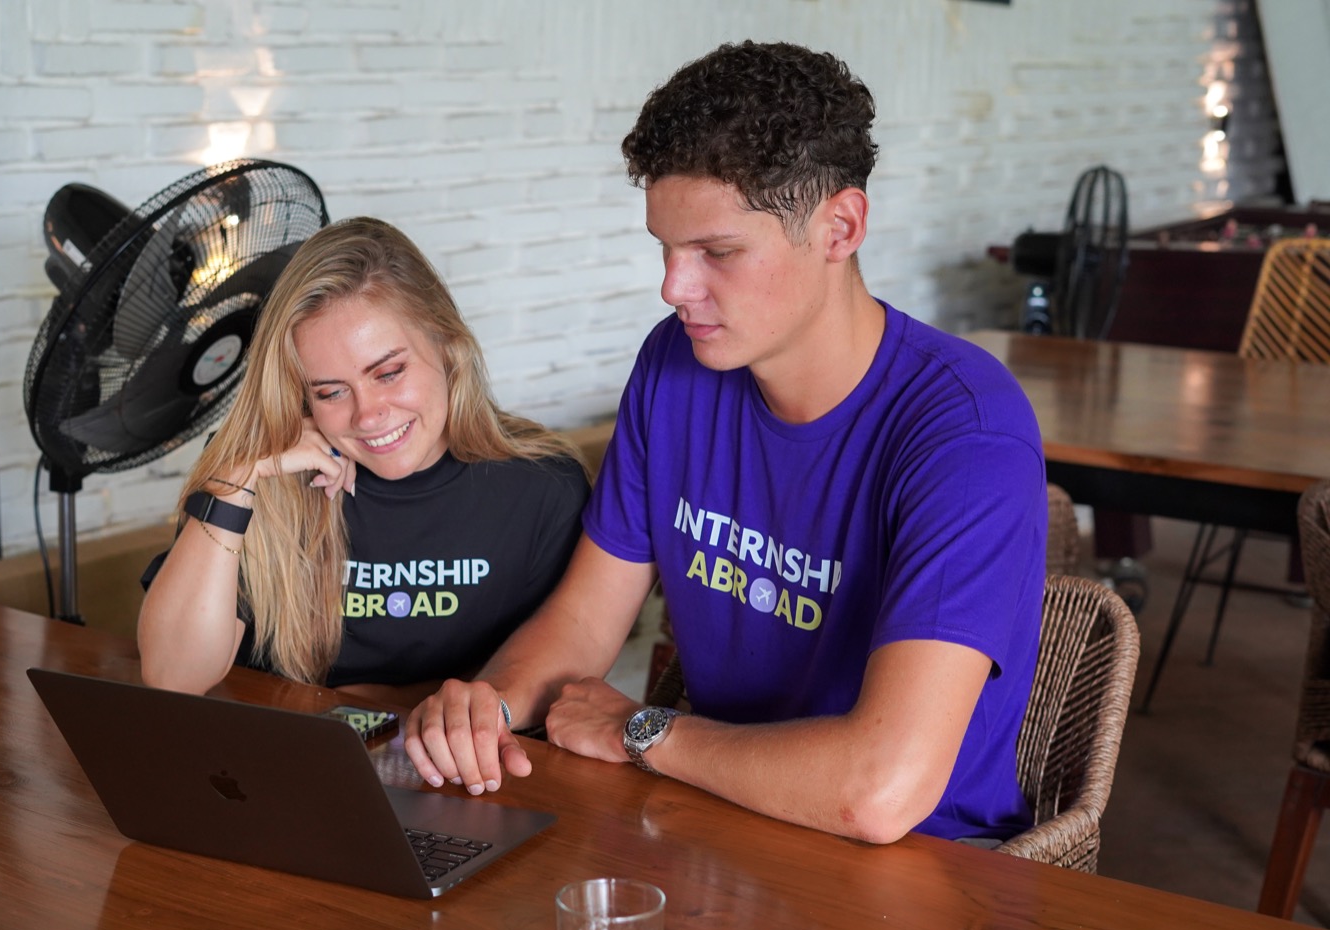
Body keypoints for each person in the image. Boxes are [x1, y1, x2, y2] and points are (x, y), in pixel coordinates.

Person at [403, 41, 1047, 845]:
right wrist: (486, 705)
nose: (674, 288)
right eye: (665, 250)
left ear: (839, 226)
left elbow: (880, 792)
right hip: (708, 815)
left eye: (718, 252)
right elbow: (583, 621)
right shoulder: (675, 364)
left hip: (926, 865)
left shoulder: (964, 432)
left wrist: (645, 733)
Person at [138, 217, 590, 707]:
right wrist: (234, 480)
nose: (368, 414)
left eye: (389, 372)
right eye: (331, 391)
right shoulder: (259, 477)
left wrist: (398, 702)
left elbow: (555, 670)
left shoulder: (543, 487)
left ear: (447, 345)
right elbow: (173, 676)